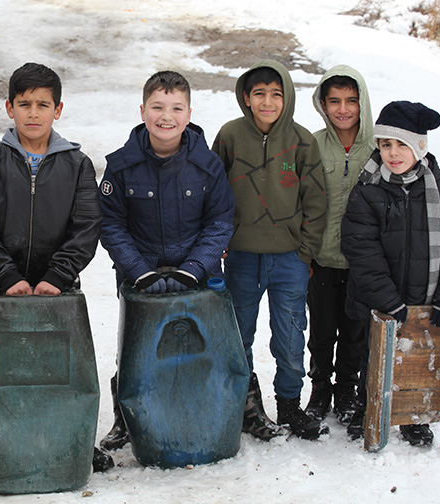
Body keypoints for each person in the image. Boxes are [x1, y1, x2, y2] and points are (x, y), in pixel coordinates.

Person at [0, 62, 111, 475]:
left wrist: (57, 276)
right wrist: (7, 276)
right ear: (9, 108)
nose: (33, 113)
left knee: (61, 372)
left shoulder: (77, 165)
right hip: (1, 290)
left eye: (42, 104)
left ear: (58, 109)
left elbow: (86, 227)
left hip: (59, 292)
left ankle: (73, 438)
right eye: (24, 104)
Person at [97, 70, 236, 451]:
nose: (166, 116)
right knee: (136, 347)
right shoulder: (122, 165)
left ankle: (203, 409)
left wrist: (194, 268)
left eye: (176, 108)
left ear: (189, 114)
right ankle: (126, 418)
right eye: (157, 107)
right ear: (142, 111)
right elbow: (111, 224)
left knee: (201, 345)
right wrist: (138, 270)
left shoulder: (207, 165)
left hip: (198, 275)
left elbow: (221, 222)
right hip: (139, 275)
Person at [341, 101, 440, 445]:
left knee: (418, 356)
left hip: (425, 299)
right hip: (378, 301)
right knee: (372, 356)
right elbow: (361, 250)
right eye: (385, 144)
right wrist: (388, 301)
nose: (393, 153)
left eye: (402, 144)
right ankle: (366, 405)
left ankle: (413, 413)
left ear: (420, 147)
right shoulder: (367, 191)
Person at [211, 59, 328, 441]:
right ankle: (246, 403)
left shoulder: (302, 140)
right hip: (242, 256)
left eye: (276, 94)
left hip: (288, 259)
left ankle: (290, 404)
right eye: (259, 93)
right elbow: (214, 192)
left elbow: (316, 201)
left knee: (291, 336)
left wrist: (305, 252)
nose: (267, 102)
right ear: (246, 97)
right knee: (237, 334)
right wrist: (222, 240)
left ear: (287, 97)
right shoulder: (229, 136)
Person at [304, 66, 375, 426]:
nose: (343, 109)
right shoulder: (313, 144)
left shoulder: (379, 147)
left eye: (351, 100)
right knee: (320, 330)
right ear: (323, 104)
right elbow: (300, 199)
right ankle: (320, 388)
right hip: (321, 258)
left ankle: (347, 388)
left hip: (362, 264)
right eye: (334, 101)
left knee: (354, 330)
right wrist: (306, 251)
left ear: (362, 102)